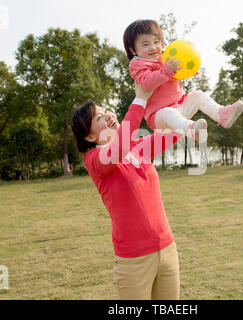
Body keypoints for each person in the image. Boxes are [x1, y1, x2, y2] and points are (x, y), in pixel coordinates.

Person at [70, 83, 183, 300]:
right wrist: (140, 99)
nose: (107, 115)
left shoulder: (137, 147)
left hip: (168, 249)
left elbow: (174, 132)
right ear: (90, 137)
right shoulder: (94, 160)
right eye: (98, 118)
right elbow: (119, 146)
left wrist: (178, 96)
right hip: (134, 261)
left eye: (105, 111)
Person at [123, 19, 243, 141]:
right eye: (146, 44)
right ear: (133, 50)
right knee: (168, 112)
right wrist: (166, 70)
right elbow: (147, 83)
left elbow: (177, 74)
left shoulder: (165, 57)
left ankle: (221, 115)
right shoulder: (138, 64)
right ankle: (191, 130)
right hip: (159, 116)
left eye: (156, 42)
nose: (153, 47)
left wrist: (188, 69)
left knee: (198, 95)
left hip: (181, 105)